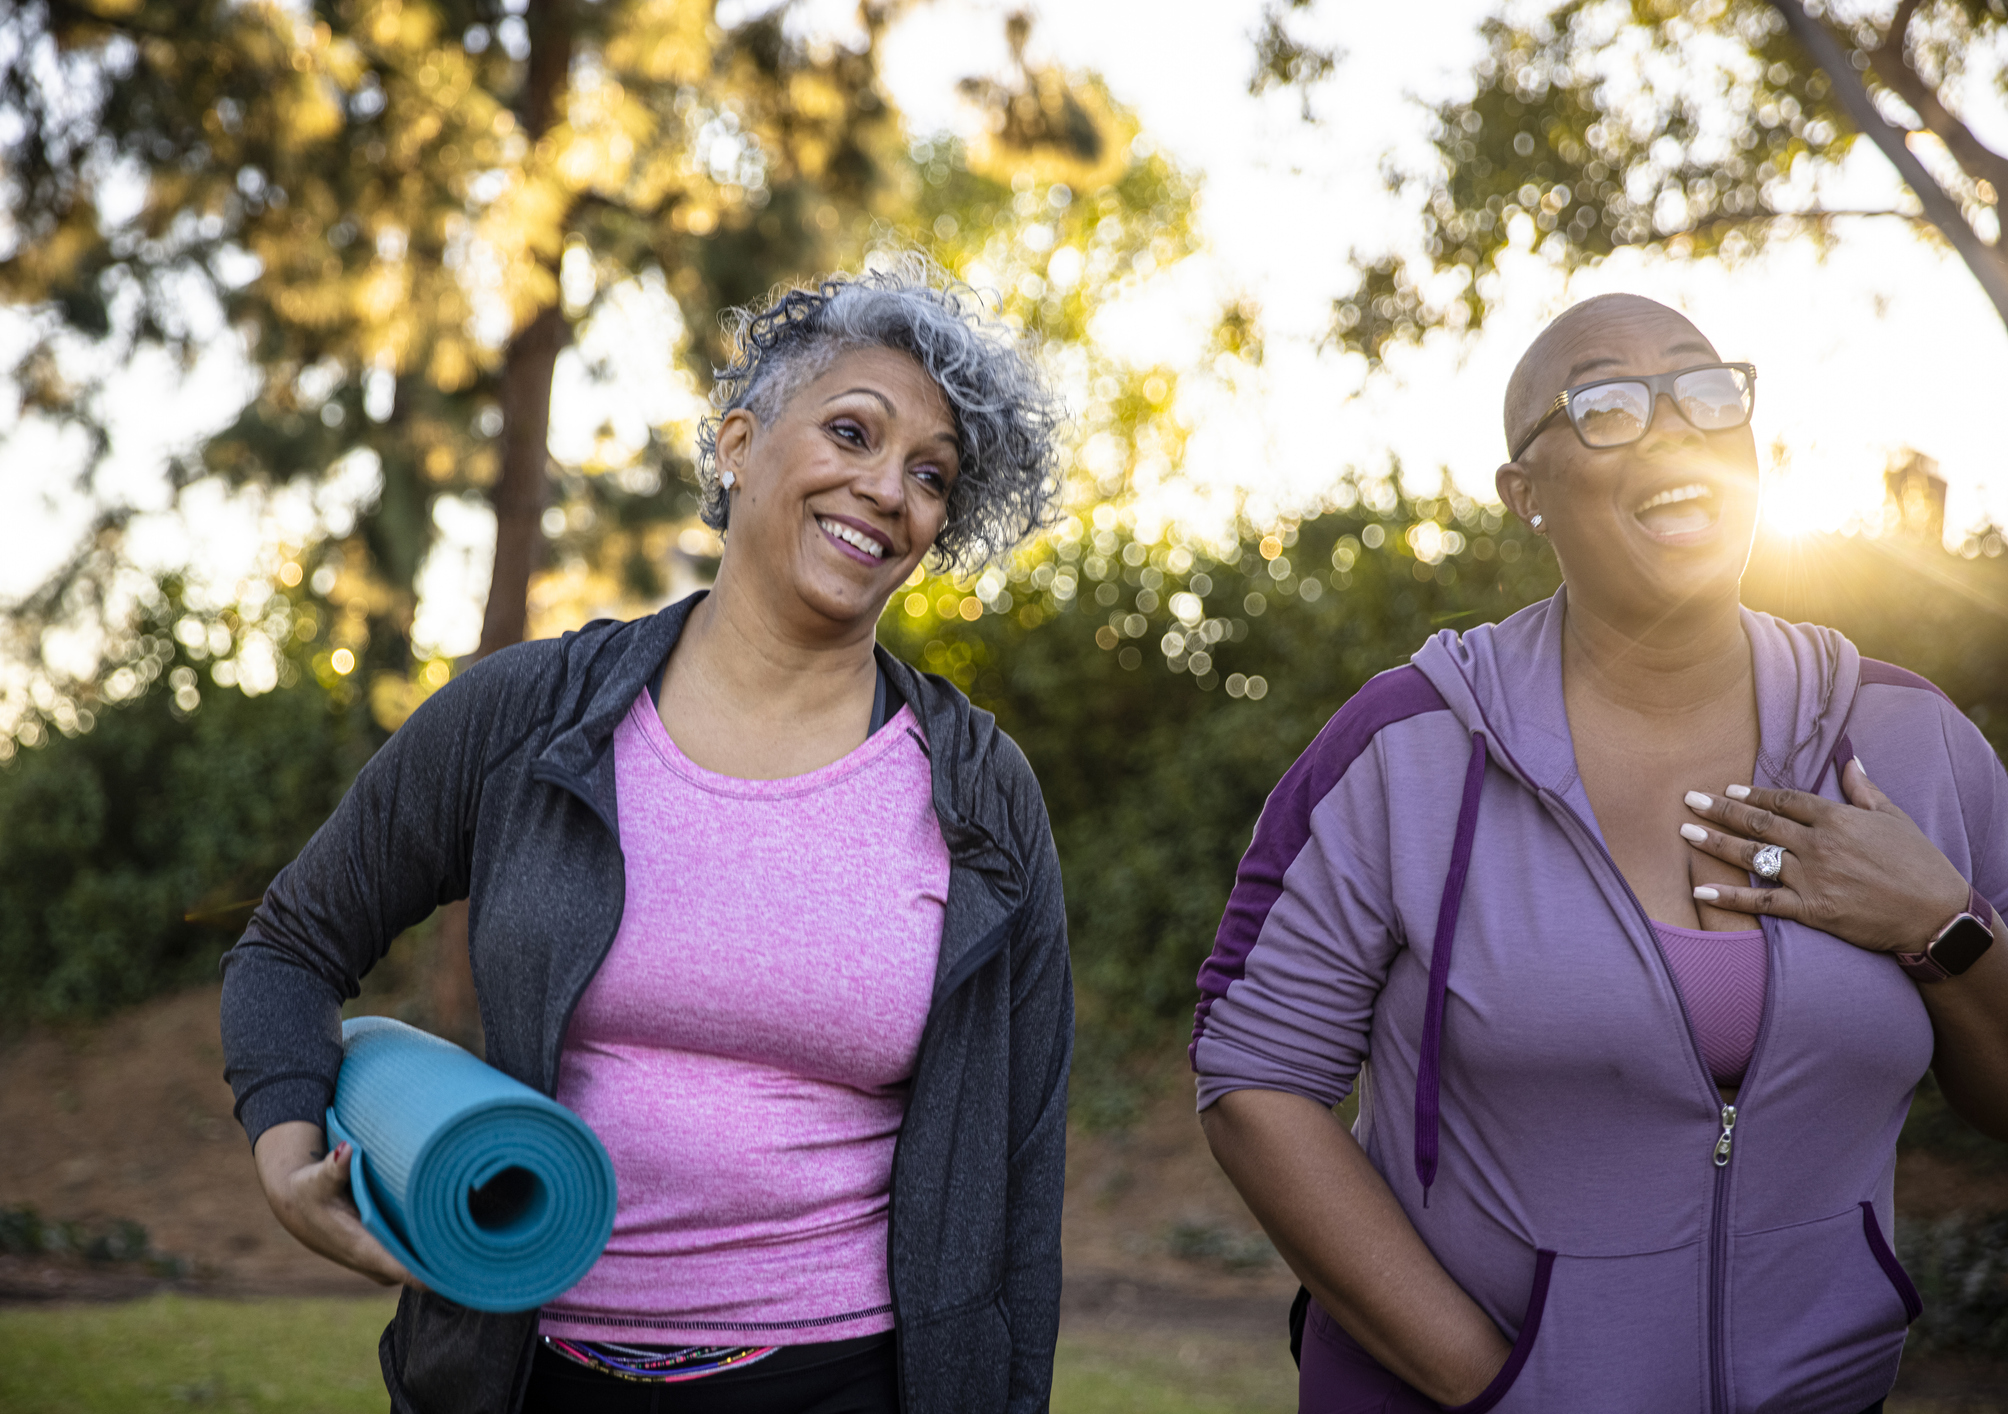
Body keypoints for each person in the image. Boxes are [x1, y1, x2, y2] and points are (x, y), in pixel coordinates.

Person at [220, 258, 1072, 1414]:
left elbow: (1022, 1164)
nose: (887, 488)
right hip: (524, 1374)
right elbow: (290, 945)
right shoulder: (527, 713)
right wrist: (283, 1154)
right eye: (852, 432)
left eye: (930, 475)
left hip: (850, 1381)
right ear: (734, 444)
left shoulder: (980, 789)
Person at [1192, 293, 2008, 1413]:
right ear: (1522, 494)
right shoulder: (1404, 748)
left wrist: (1940, 925)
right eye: (1605, 404)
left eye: (1702, 388)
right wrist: (1490, 1383)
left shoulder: (1915, 745)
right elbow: (1254, 1077)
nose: (1671, 423)